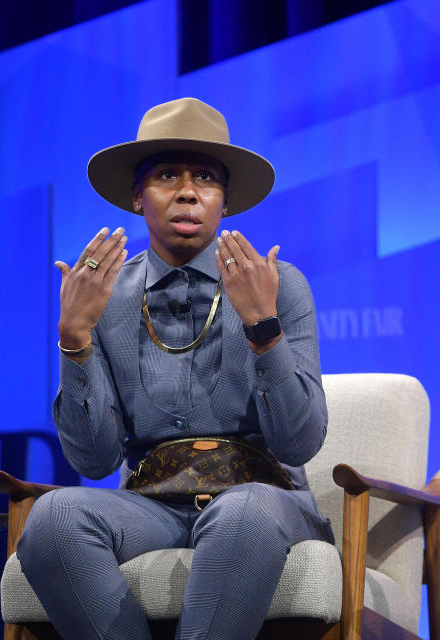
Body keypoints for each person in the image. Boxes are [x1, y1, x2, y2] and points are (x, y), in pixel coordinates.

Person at [17, 97, 334, 639]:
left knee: (242, 514)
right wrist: (75, 341)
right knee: (52, 518)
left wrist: (263, 327)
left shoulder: (280, 286)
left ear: (225, 200)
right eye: (168, 175)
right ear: (138, 197)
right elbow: (94, 461)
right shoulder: (107, 297)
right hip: (151, 504)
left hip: (264, 495)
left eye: (205, 177)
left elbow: (299, 444)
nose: (188, 191)